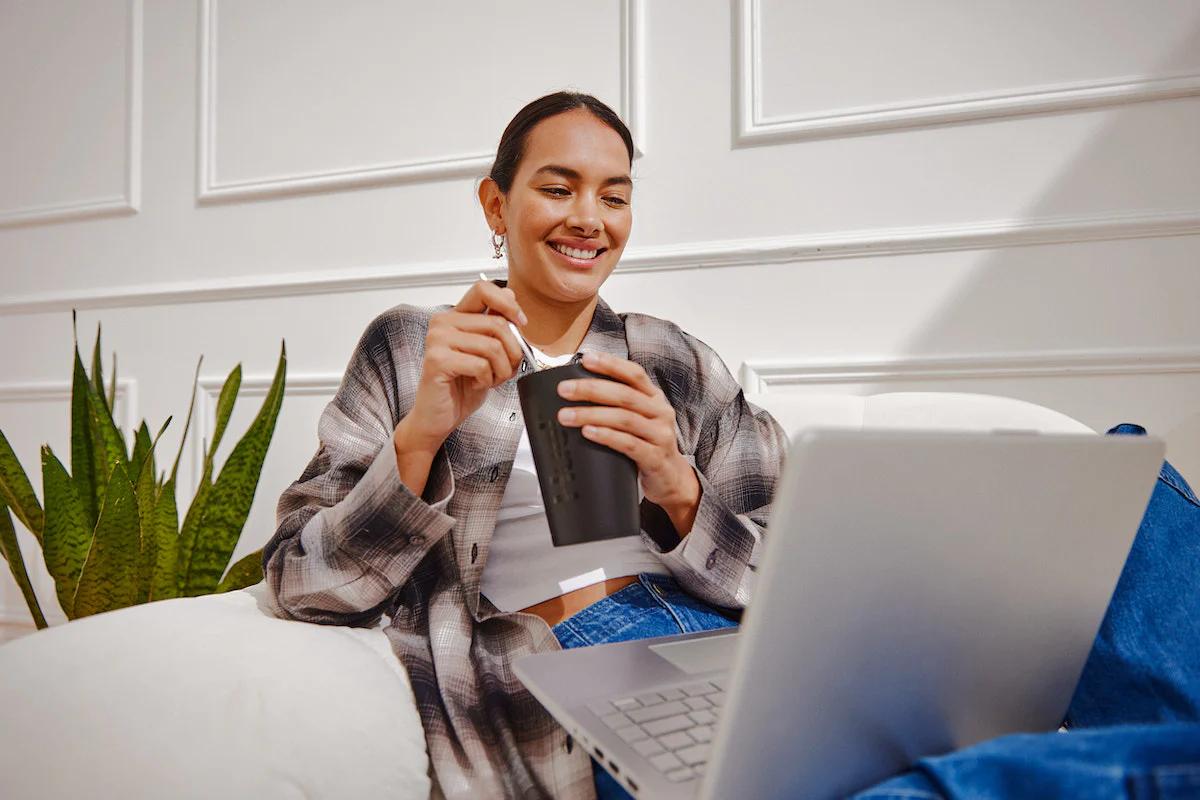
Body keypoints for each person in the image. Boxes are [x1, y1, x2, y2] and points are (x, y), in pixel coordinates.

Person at [261, 91, 788, 800]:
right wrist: (422, 438)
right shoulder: (416, 346)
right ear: (495, 205)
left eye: (615, 197)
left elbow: (794, 570)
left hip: (725, 644)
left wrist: (679, 490)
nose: (588, 219)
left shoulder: (673, 360)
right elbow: (299, 580)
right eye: (557, 187)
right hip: (571, 651)